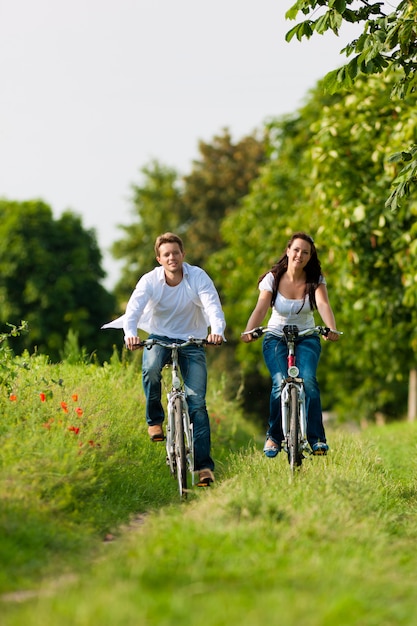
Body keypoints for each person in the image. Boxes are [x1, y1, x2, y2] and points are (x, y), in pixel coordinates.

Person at [102, 232, 225, 486]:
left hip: (192, 340)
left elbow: (212, 305)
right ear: (159, 259)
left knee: (197, 403)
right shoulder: (150, 281)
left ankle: (203, 468)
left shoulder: (198, 277)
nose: (172, 258)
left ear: (183, 255)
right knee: (150, 369)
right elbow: (133, 310)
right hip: (159, 337)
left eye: (175, 253)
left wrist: (217, 331)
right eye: (166, 254)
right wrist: (131, 335)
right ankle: (155, 421)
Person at [241, 232, 339, 458]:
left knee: (309, 382)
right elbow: (261, 307)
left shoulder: (316, 278)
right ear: (288, 251)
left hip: (306, 336)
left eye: (305, 252)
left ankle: (316, 439)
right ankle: (274, 437)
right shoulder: (273, 279)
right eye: (296, 250)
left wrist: (331, 328)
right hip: (276, 337)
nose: (300, 255)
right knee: (279, 382)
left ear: (310, 256)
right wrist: (249, 331)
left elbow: (323, 304)